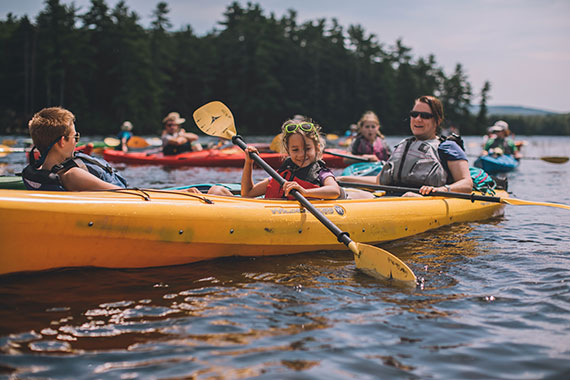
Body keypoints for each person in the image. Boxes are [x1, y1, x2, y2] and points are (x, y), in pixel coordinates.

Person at [21, 107, 232, 195]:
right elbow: (127, 196)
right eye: (75, 137)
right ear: (61, 142)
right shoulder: (73, 174)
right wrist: (182, 195)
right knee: (216, 190)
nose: (76, 142)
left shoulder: (37, 170)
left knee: (209, 188)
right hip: (133, 205)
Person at [338, 95, 472, 196]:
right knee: (346, 192)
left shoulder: (447, 147)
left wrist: (443, 189)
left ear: (437, 120)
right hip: (394, 199)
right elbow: (379, 182)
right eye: (414, 114)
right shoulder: (403, 145)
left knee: (408, 195)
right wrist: (340, 179)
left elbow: (466, 183)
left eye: (425, 116)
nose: (418, 119)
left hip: (424, 200)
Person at [241, 119, 344, 200]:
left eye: (307, 149)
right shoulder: (282, 174)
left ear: (317, 147)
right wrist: (248, 163)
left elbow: (335, 191)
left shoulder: (321, 173)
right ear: (288, 150)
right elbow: (248, 193)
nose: (301, 154)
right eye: (295, 150)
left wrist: (305, 192)